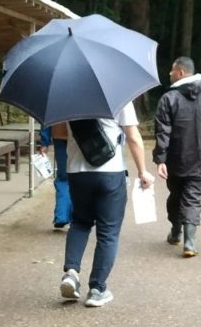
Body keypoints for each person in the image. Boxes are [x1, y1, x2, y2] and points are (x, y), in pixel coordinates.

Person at [60, 102, 154, 307]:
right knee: (108, 232)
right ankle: (97, 289)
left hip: (77, 172)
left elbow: (66, 134)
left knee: (80, 223)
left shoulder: (67, 98)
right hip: (111, 172)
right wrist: (142, 171)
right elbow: (133, 137)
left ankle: (71, 273)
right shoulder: (119, 97)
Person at [153, 56, 201, 257]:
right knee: (193, 198)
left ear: (181, 73)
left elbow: (162, 132)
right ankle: (190, 243)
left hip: (176, 160)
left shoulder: (168, 99)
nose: (169, 74)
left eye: (172, 70)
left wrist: (161, 159)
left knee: (176, 195)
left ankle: (176, 232)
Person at [38, 122, 72, 229]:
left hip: (59, 134)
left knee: (63, 178)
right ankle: (76, 217)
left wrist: (44, 142)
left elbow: (46, 118)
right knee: (78, 178)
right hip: (79, 137)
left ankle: (61, 216)